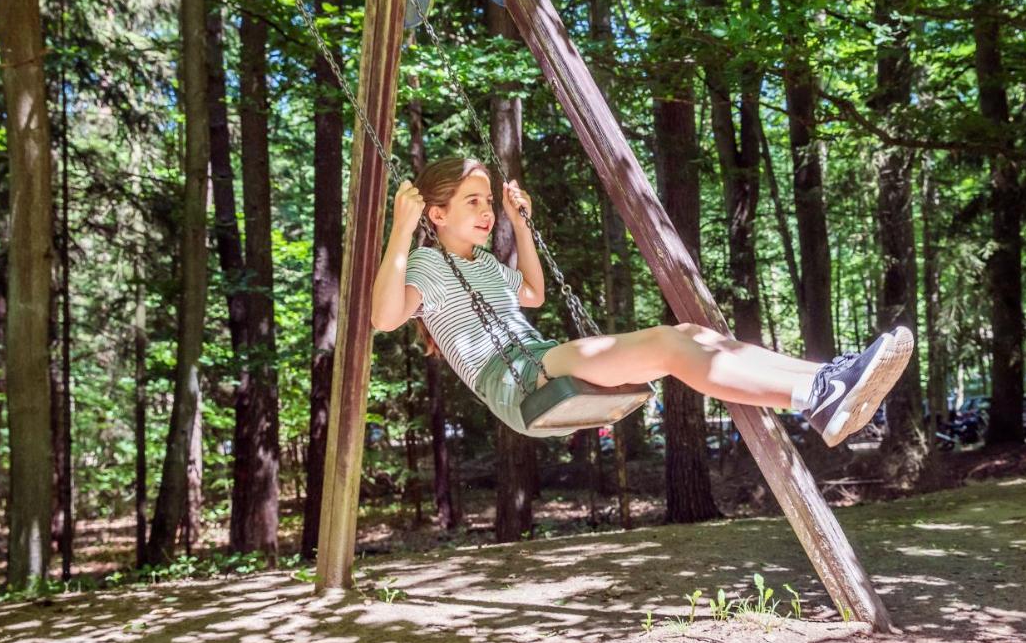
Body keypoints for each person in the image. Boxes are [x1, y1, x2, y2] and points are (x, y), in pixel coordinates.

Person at [371, 157, 914, 443]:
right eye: (473, 201)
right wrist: (402, 229)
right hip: (515, 377)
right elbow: (384, 316)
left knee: (691, 338)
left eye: (488, 200)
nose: (486, 210)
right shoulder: (425, 264)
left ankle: (823, 386)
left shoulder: (485, 263)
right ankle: (819, 391)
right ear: (436, 214)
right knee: (669, 345)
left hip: (537, 358)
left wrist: (519, 224)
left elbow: (532, 294)